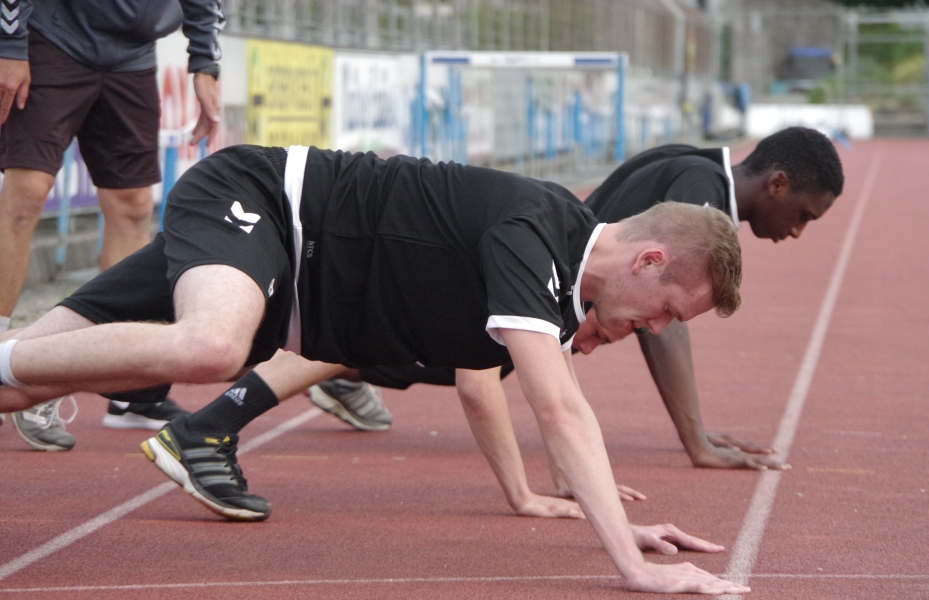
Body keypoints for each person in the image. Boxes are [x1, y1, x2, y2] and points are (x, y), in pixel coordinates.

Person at [0, 145, 749, 595]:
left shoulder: (555, 297)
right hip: (263, 205)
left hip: (271, 276)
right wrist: (635, 570)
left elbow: (540, 403)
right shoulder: (541, 233)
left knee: (26, 380)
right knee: (211, 349)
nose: (656, 330)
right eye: (667, 312)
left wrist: (616, 522)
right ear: (650, 260)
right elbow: (560, 413)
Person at [314, 126, 845, 475]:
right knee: (438, 351)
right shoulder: (701, 197)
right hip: (542, 285)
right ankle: (300, 366)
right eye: (804, 215)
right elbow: (668, 323)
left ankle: (337, 363)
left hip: (552, 285)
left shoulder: (693, 160)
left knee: (429, 351)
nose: (797, 232)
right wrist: (696, 440)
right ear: (778, 184)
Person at [0, 0, 225, 450]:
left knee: (134, 206)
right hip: (53, 40)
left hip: (133, 54)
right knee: (25, 197)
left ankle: (124, 390)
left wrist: (205, 60)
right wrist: (9, 42)